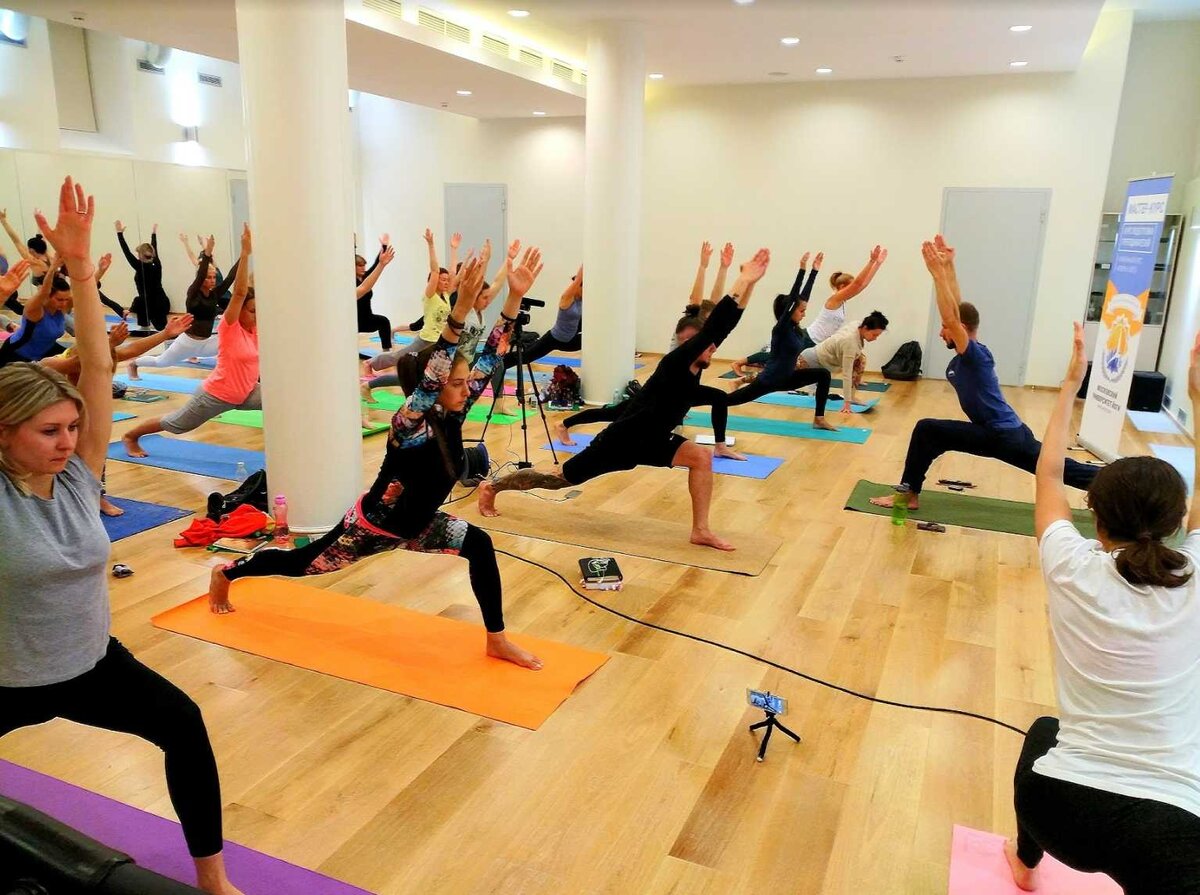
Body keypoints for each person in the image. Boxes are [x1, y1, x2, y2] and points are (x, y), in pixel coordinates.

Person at [0, 176, 244, 895]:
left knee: (184, 723)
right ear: (3, 433)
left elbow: (100, 365)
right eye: (48, 431)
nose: (67, 441)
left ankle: (215, 881)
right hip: (5, 679)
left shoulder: (79, 473)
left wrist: (80, 271)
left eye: (72, 428)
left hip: (90, 666)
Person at [207, 242, 546, 671]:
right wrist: (458, 310)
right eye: (457, 383)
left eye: (465, 383)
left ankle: (497, 640)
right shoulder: (409, 422)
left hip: (421, 524)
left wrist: (513, 299)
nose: (466, 389)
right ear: (433, 386)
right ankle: (228, 573)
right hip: (371, 528)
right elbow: (436, 374)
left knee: (479, 545)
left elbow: (491, 356)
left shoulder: (453, 412)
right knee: (299, 563)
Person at [1001, 322, 1200, 894]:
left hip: (1059, 811)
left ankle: (1025, 862)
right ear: (1178, 521)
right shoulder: (1193, 578)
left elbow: (1048, 473)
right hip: (1168, 828)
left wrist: (1070, 384)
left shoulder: (1070, 564)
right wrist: (1196, 396)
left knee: (1044, 730)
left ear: (1095, 514)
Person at [479, 248, 773, 552]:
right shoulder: (676, 362)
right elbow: (717, 325)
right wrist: (742, 280)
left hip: (654, 439)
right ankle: (493, 487)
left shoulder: (700, 360)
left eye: (712, 346)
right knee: (557, 480)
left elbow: (724, 326)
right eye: (705, 345)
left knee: (700, 457)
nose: (712, 348)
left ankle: (700, 530)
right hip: (620, 441)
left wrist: (750, 285)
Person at [869, 236, 1098, 511]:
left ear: (962, 329)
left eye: (945, 328)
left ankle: (908, 494)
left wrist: (937, 274)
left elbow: (952, 317)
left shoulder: (975, 356)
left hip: (1001, 434)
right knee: (1058, 468)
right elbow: (956, 310)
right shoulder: (970, 352)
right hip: (1006, 431)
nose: (942, 332)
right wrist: (949, 267)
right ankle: (1113, 481)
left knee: (927, 430)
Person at [122, 226, 256, 457]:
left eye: (213, 277)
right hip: (209, 380)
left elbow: (233, 280)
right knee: (176, 420)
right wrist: (242, 253)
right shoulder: (208, 305)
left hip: (238, 383)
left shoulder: (251, 326)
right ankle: (131, 435)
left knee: (279, 398)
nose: (211, 280)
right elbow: (240, 292)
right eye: (253, 311)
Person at [721, 252, 840, 432]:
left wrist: (814, 271)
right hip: (769, 380)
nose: (804, 313)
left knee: (823, 374)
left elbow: (802, 299)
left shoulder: (795, 328)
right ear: (789, 311)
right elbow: (794, 299)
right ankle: (688, 405)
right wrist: (802, 269)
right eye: (801, 311)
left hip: (787, 378)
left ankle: (819, 419)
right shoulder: (781, 328)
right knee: (728, 401)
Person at [129, 235, 240, 377]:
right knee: (161, 362)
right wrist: (207, 252)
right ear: (201, 278)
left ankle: (234, 377)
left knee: (233, 344)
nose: (213, 280)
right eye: (208, 277)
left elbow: (230, 277)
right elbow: (200, 274)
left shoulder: (214, 294)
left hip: (206, 344)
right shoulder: (193, 292)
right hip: (187, 342)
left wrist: (244, 254)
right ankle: (134, 364)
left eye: (214, 277)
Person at [488, 262, 583, 417]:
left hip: (569, 340)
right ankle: (499, 364)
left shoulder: (583, 302)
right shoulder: (566, 299)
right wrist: (583, 270)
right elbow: (577, 282)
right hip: (555, 338)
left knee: (592, 341)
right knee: (526, 357)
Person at [796, 310, 889, 414]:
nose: (875, 338)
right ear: (865, 328)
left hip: (821, 361)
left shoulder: (858, 324)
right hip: (808, 360)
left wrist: (856, 380)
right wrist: (847, 403)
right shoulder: (850, 342)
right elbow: (846, 374)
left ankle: (851, 396)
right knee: (785, 381)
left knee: (861, 359)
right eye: (874, 335)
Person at [806, 245, 887, 345]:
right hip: (810, 339)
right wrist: (871, 261)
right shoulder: (835, 298)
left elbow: (863, 285)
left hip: (818, 343)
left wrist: (877, 264)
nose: (853, 290)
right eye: (850, 286)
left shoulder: (842, 301)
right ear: (842, 286)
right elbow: (858, 284)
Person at [0, 260, 72, 368]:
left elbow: (84, 290)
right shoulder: (35, 309)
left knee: (77, 357)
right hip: (17, 353)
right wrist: (52, 269)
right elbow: (44, 292)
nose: (64, 303)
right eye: (60, 299)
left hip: (45, 350)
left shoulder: (62, 307)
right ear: (48, 297)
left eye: (66, 299)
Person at [115, 220, 170, 330]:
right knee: (163, 330)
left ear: (140, 255)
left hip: (148, 305)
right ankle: (152, 326)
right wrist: (153, 234)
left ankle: (145, 327)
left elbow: (126, 251)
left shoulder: (140, 266)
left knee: (139, 301)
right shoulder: (157, 263)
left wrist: (119, 233)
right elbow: (154, 248)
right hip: (162, 302)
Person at [355, 235, 397, 349]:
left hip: (367, 319)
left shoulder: (365, 278)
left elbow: (377, 264)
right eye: (359, 265)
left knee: (384, 322)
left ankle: (386, 350)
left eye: (364, 265)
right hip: (354, 321)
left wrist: (384, 246)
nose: (363, 268)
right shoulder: (350, 282)